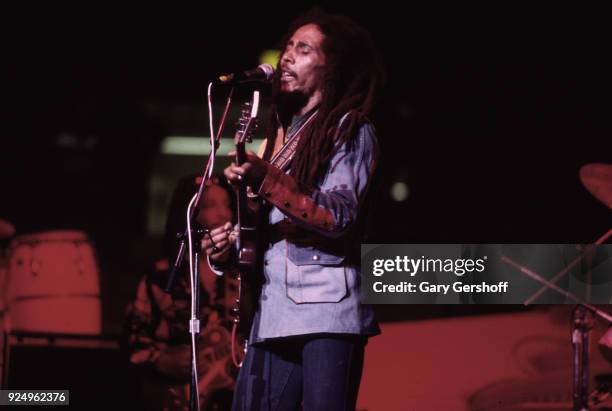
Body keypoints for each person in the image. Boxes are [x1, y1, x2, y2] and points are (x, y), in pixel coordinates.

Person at [204, 9, 384, 410]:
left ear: (332, 66)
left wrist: (265, 179)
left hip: (326, 314)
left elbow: (338, 214)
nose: (286, 57)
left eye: (303, 49)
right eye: (288, 47)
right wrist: (229, 249)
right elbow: (272, 232)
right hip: (273, 314)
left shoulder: (348, 128)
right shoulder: (283, 137)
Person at [124, 175, 240, 411]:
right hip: (172, 396)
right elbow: (132, 342)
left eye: (227, 205)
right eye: (210, 205)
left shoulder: (241, 276)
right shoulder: (160, 277)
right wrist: (160, 359)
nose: (223, 214)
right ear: (188, 215)